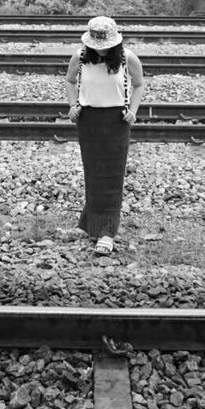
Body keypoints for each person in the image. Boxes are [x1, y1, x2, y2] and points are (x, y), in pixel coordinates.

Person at [65, 15, 144, 255]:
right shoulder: (79, 57)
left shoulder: (126, 58)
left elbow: (139, 84)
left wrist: (133, 111)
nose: (99, 51)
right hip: (88, 121)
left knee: (111, 178)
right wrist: (72, 105)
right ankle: (89, 224)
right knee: (92, 173)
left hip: (116, 122)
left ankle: (107, 232)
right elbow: (69, 81)